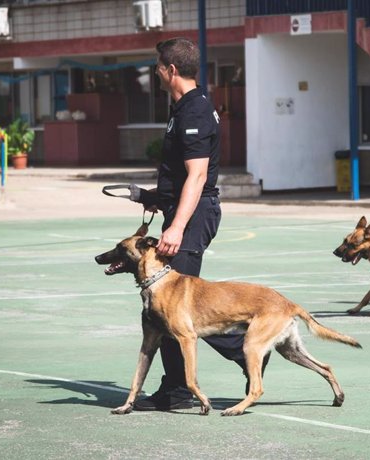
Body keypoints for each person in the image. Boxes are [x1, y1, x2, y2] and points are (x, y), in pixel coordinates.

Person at [134, 37, 268, 411]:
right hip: (185, 209)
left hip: (192, 217)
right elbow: (183, 176)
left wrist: (176, 227)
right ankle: (186, 381)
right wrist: (153, 197)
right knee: (166, 308)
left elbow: (197, 176)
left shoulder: (193, 112)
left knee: (171, 309)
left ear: (171, 70)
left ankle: (181, 388)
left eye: (158, 67)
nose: (156, 72)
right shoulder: (185, 106)